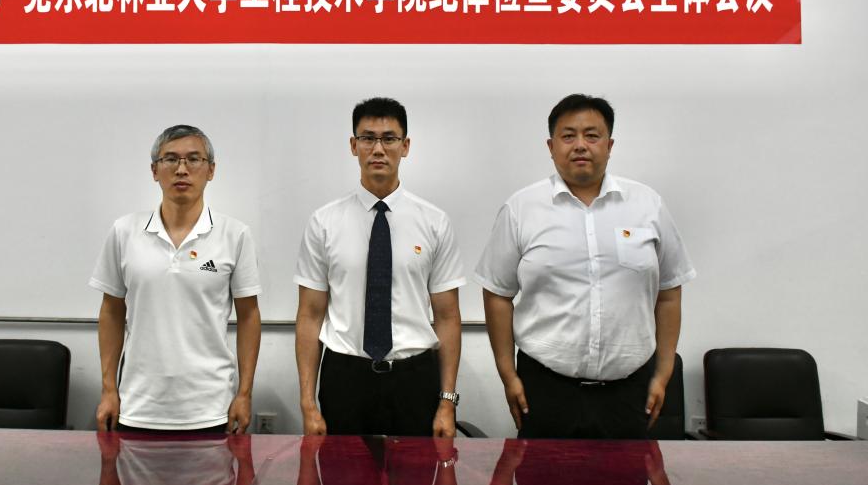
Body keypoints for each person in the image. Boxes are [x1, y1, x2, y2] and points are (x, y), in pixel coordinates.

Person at [475, 94, 695, 439]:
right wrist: (508, 374)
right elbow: (497, 294)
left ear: (609, 145)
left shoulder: (647, 205)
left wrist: (663, 373)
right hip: (544, 390)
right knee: (542, 476)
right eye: (568, 136)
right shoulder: (521, 209)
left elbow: (669, 292)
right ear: (551, 147)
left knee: (627, 477)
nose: (580, 145)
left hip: (630, 391)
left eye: (592, 135)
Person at [294, 97, 465, 437]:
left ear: (405, 146)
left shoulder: (434, 222)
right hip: (345, 377)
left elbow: (447, 317)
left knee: (416, 473)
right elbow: (310, 315)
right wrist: (307, 403)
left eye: (389, 139)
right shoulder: (324, 222)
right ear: (353, 145)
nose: (378, 149)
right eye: (368, 138)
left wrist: (447, 402)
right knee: (343, 473)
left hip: (414, 378)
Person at [90, 125, 262, 434]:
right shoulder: (124, 231)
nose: (182, 169)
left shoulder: (235, 235)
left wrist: (244, 393)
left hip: (211, 408)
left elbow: (249, 316)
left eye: (194, 159)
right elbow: (111, 311)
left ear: (211, 170)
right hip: (137, 406)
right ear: (154, 170)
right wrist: (108, 389)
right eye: (170, 159)